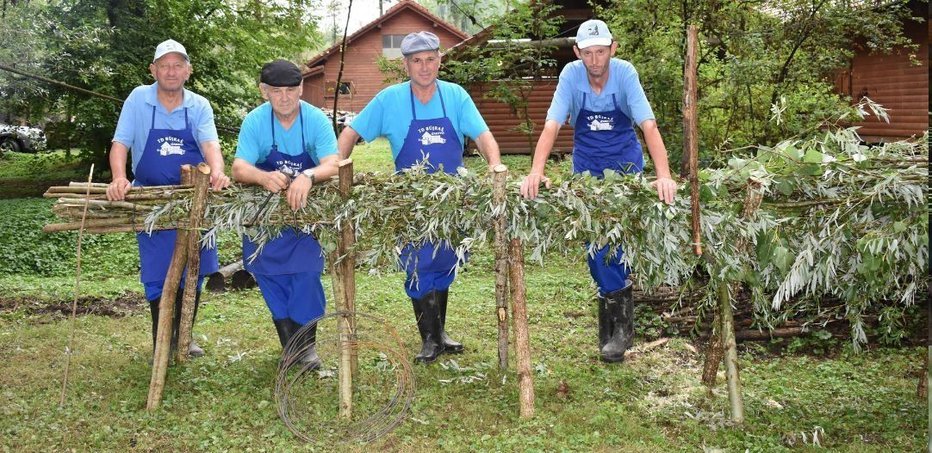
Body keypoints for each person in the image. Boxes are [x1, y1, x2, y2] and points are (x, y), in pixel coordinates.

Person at [337, 31, 502, 364]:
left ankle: (439, 333)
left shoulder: (455, 96)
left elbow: (483, 136)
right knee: (417, 266)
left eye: (430, 59)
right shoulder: (389, 100)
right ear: (406, 64)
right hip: (409, 202)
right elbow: (350, 133)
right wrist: (340, 171)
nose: (424, 67)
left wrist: (495, 165)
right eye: (416, 61)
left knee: (444, 261)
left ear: (439, 60)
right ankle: (429, 339)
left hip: (451, 200)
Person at [519, 19, 678, 363]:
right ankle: (615, 330)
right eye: (587, 53)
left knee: (614, 240)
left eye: (601, 52)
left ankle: (617, 334)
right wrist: (536, 170)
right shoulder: (570, 77)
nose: (594, 60)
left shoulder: (625, 74)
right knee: (594, 242)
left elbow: (647, 125)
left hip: (624, 167)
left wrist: (663, 174)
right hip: (587, 168)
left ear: (612, 49)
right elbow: (552, 124)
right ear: (577, 53)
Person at [106, 39, 231, 358]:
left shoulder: (199, 105)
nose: (171, 71)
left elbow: (210, 146)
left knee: (196, 268)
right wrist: (119, 178)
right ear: (153, 70)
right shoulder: (138, 99)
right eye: (164, 65)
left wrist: (217, 172)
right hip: (151, 200)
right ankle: (163, 340)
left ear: (188, 71)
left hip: (194, 200)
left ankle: (184, 337)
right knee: (157, 274)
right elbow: (120, 144)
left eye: (178, 65)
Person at [232, 59, 339, 369]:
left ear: (301, 89)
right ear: (264, 91)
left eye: (291, 90)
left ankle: (307, 350)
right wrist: (263, 177)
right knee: (269, 278)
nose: (284, 98)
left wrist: (308, 176)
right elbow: (240, 167)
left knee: (306, 276)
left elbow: (333, 163)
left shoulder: (316, 120)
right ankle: (290, 349)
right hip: (265, 220)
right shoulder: (255, 121)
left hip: (304, 217)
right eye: (276, 91)